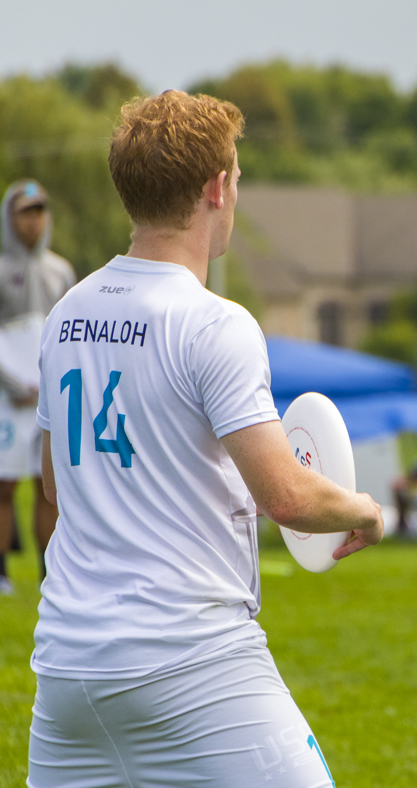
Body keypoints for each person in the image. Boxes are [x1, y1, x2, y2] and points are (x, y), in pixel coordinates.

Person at [28, 90, 383, 787]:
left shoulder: (67, 313)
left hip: (68, 669)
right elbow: (285, 495)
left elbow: (52, 482)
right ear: (217, 188)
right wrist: (364, 510)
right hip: (190, 660)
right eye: (239, 177)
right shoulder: (216, 323)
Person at [0, 180, 75, 594]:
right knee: (4, 485)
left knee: (49, 488)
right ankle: (2, 572)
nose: (35, 220)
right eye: (26, 211)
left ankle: (51, 575)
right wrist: (12, 383)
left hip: (48, 399)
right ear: (10, 218)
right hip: (8, 401)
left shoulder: (61, 271)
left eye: (40, 211)